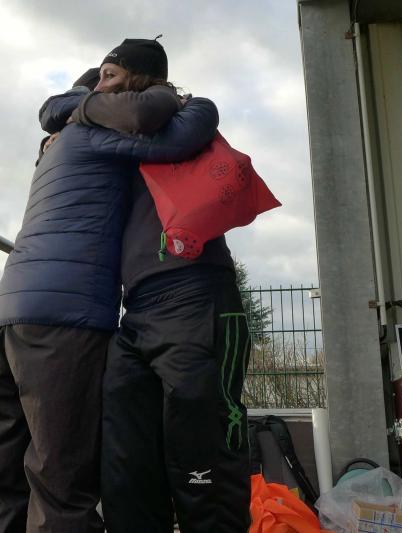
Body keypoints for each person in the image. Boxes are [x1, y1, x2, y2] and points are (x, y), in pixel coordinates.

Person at [0, 38, 219, 533]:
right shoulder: (94, 135)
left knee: (4, 481)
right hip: (64, 322)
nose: (105, 91)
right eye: (101, 81)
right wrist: (184, 101)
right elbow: (178, 140)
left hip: (10, 316)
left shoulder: (56, 145)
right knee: (61, 482)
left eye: (111, 78)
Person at [72, 41, 252, 533]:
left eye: (110, 76)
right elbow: (61, 110)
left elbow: (180, 127)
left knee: (202, 453)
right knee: (126, 464)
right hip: (136, 312)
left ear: (139, 79)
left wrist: (90, 116)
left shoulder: (190, 112)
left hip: (198, 295)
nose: (100, 88)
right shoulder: (110, 135)